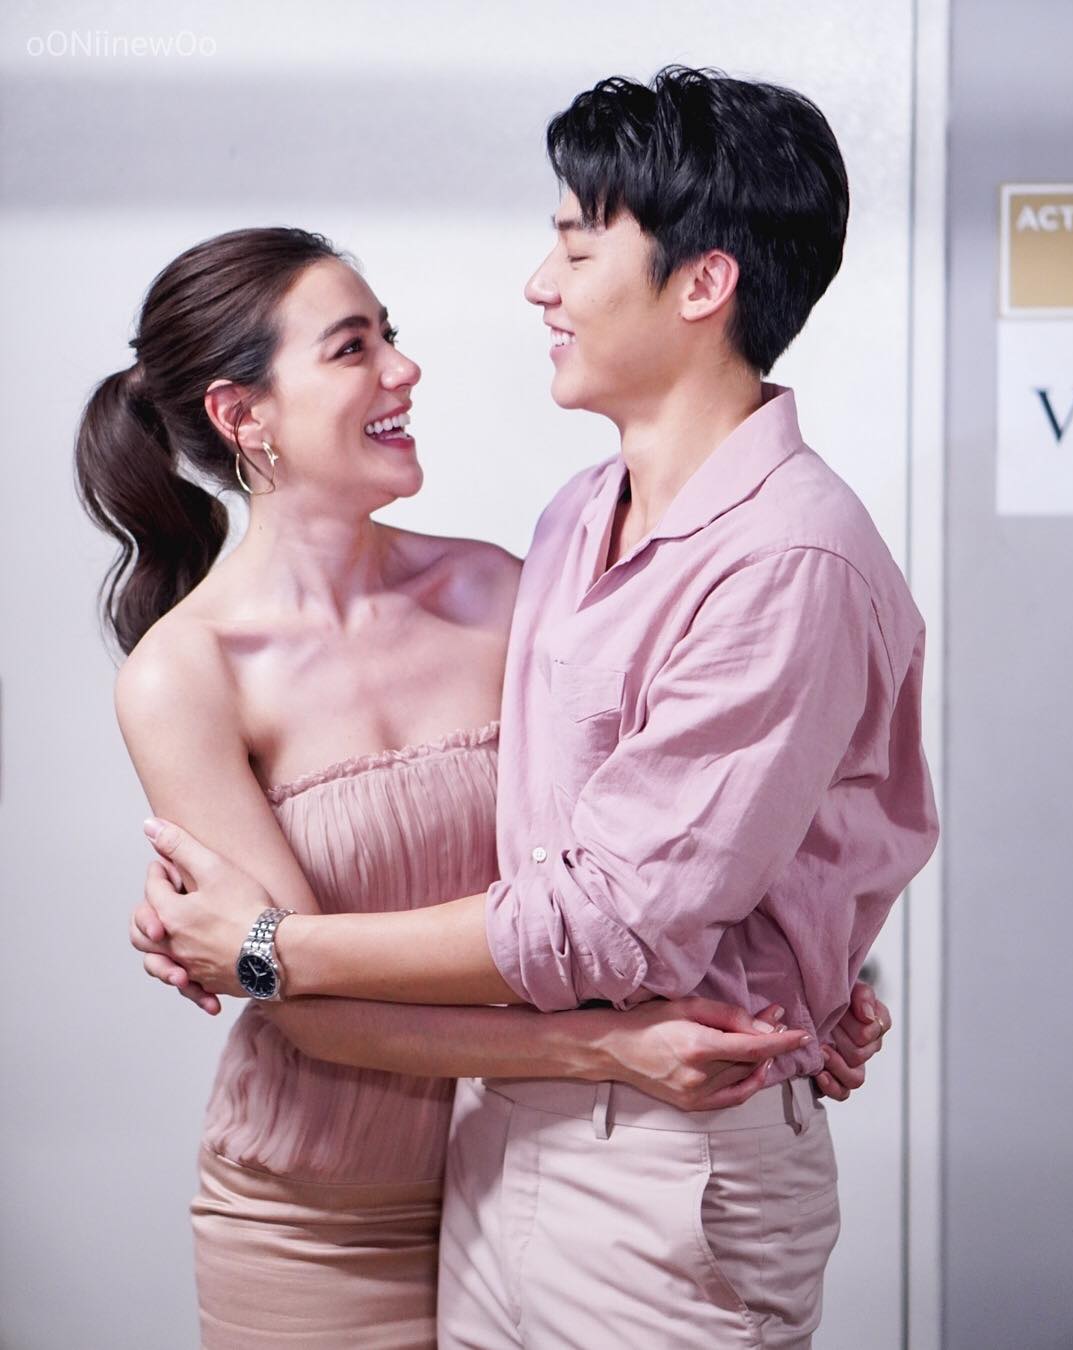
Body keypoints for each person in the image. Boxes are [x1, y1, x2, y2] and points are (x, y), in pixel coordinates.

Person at [127, 66, 931, 1348]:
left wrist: (269, 946)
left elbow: (622, 908)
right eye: (353, 346)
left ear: (701, 285)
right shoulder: (572, 525)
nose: (537, 287)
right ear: (242, 417)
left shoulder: (778, 561)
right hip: (470, 1161)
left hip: (647, 1155)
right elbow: (607, 840)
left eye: (576, 245)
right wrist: (810, 975)